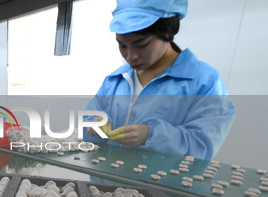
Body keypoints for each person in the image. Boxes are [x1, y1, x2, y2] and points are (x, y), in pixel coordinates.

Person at [84, 0, 236, 160]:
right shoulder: (116, 80)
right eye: (122, 46)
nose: (130, 56)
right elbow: (86, 122)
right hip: (107, 182)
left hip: (163, 184)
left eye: (141, 45)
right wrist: (95, 126)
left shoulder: (205, 82)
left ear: (168, 32)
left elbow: (202, 146)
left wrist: (151, 135)